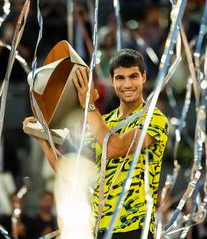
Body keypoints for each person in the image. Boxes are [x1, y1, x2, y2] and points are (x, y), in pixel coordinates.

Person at [25, 49, 168, 239]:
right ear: (112, 81)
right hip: (98, 230)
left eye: (133, 76)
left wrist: (89, 106)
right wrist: (43, 140)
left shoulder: (153, 118)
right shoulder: (102, 122)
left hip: (134, 230)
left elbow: (113, 148)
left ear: (143, 77)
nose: (127, 84)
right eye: (120, 78)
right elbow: (70, 172)